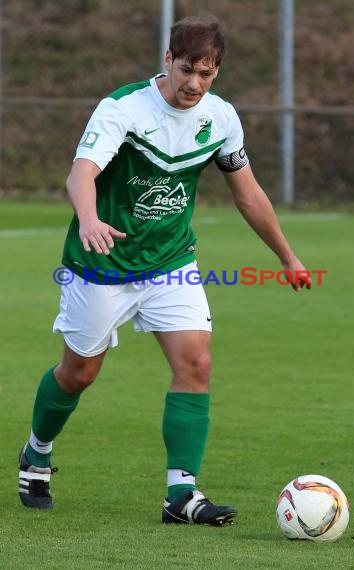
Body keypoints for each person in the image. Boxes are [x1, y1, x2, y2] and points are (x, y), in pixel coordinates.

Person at [18, 14, 310, 525]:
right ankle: (37, 451)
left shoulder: (220, 118)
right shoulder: (123, 109)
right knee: (79, 372)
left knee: (195, 363)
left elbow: (248, 194)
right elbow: (81, 172)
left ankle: (182, 495)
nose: (194, 83)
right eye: (186, 70)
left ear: (217, 72)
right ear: (167, 61)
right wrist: (89, 219)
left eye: (207, 73)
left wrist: (286, 256)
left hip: (171, 261)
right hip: (103, 262)